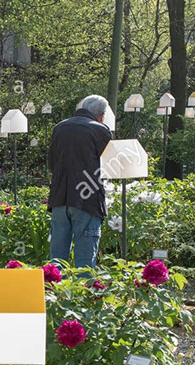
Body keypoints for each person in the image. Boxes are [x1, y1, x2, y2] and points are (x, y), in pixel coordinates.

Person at [47, 94, 113, 270]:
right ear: (102, 115)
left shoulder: (59, 128)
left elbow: (51, 163)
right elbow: (109, 166)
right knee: (85, 261)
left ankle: (54, 294)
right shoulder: (100, 130)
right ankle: (83, 295)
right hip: (87, 200)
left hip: (59, 199)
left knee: (56, 260)